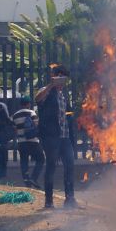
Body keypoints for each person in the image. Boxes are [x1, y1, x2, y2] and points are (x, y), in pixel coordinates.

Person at [36, 64, 77, 209]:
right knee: (51, 166)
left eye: (63, 78)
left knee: (70, 165)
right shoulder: (46, 91)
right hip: (51, 137)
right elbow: (38, 99)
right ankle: (48, 201)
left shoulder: (63, 96)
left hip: (65, 137)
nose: (62, 81)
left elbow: (68, 115)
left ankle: (70, 199)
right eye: (59, 77)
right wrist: (50, 85)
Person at [12, 96, 45, 188]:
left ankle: (26, 180)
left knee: (24, 161)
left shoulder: (15, 115)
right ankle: (34, 178)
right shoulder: (32, 113)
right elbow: (36, 125)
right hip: (33, 141)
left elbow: (15, 130)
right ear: (28, 104)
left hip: (22, 142)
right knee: (41, 159)